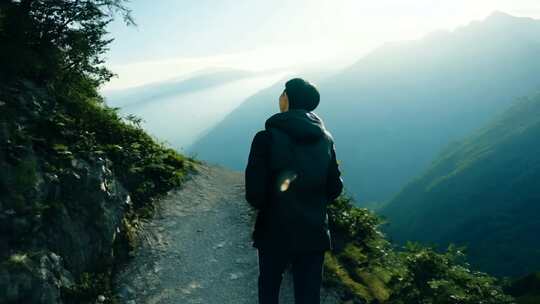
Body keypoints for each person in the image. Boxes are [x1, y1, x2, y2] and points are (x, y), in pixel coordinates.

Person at [245, 77, 344, 304]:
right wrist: (311, 203)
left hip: (273, 230)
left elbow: (254, 194)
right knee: (309, 295)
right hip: (314, 231)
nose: (280, 97)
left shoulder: (266, 138)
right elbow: (334, 188)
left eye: (283, 92)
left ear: (287, 99)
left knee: (269, 287)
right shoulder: (326, 140)